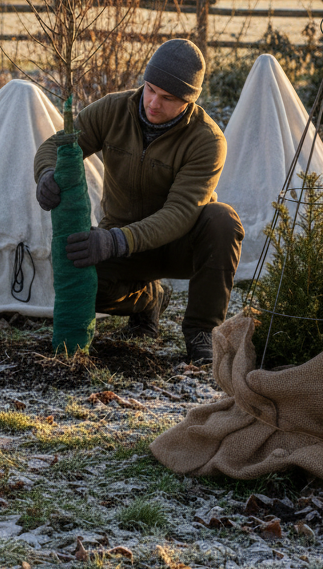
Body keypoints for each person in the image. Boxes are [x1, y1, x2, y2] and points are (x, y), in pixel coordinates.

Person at [33, 39, 243, 365]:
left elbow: (180, 212)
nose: (153, 103)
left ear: (188, 101)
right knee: (78, 275)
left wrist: (117, 240)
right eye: (150, 89)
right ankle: (149, 300)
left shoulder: (207, 140)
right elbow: (58, 145)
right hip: (122, 239)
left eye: (168, 97)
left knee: (222, 220)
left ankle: (202, 332)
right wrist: (47, 173)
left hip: (179, 245)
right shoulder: (113, 109)